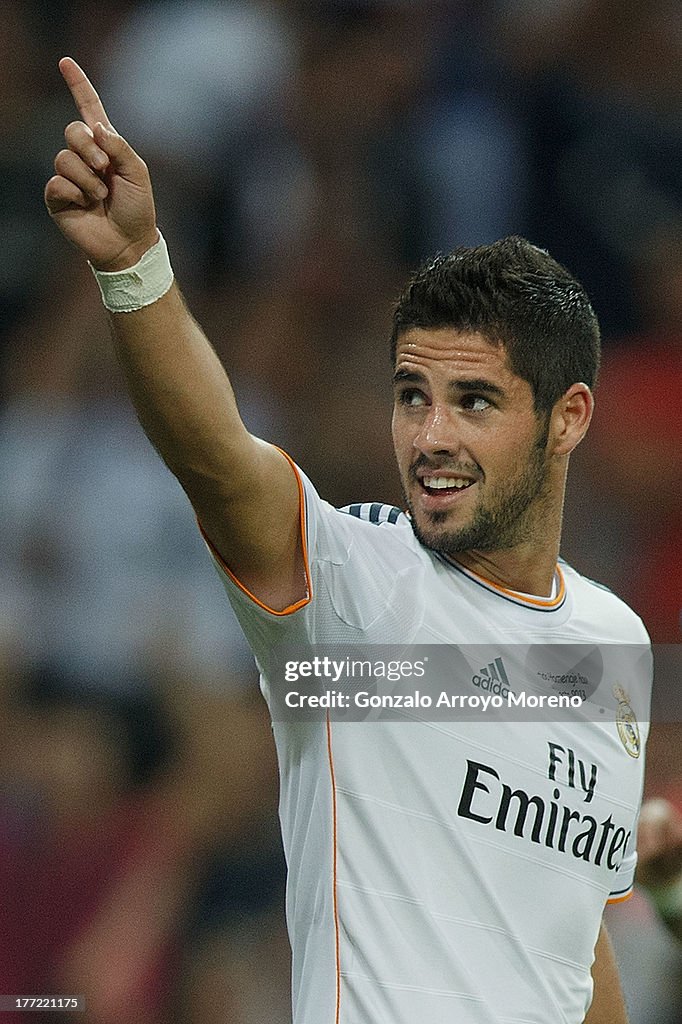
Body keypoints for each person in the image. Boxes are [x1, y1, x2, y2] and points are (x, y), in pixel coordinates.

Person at [45, 58, 653, 1024]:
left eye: (475, 402)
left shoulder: (612, 647)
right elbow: (215, 457)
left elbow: (571, 941)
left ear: (568, 418)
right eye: (413, 395)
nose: (431, 435)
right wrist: (135, 267)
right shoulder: (356, 589)